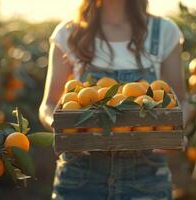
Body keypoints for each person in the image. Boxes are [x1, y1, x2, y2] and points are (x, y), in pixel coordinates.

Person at [39, 0, 187, 199]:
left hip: (146, 179)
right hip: (81, 178)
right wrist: (63, 128)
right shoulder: (69, 33)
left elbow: (182, 102)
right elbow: (49, 105)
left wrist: (175, 131)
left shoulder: (163, 32)